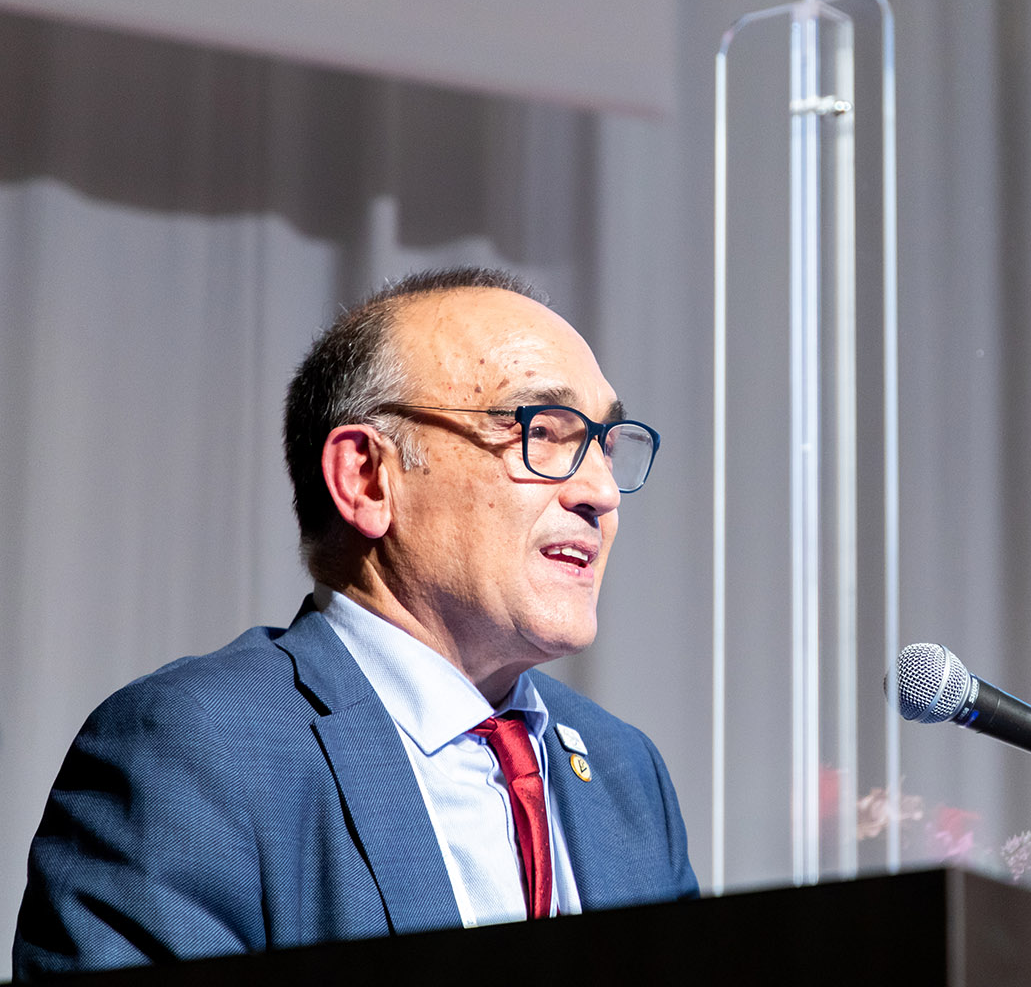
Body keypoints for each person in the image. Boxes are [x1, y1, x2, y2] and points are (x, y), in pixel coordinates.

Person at [12, 267, 698, 979]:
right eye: (544, 431)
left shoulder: (624, 770)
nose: (600, 492)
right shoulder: (197, 752)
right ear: (367, 478)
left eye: (605, 447)